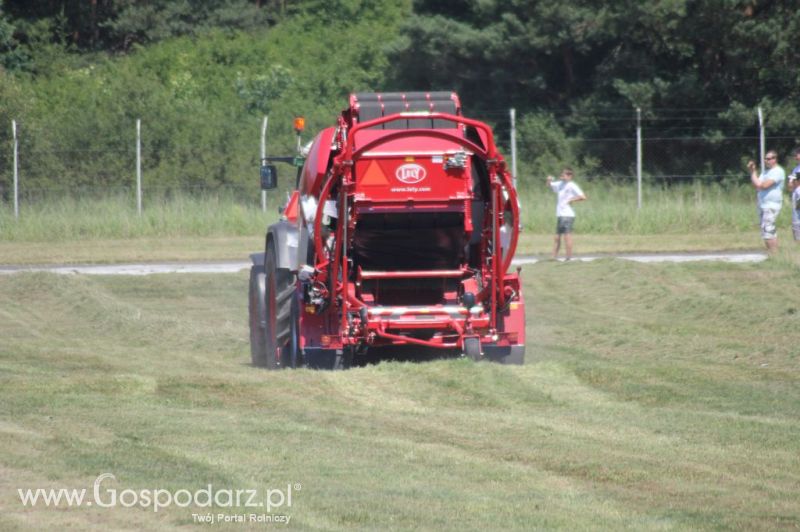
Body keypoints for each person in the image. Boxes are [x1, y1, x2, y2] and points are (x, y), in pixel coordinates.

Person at [747, 150, 785, 253]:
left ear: (774, 159)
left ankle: (773, 252)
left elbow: (764, 185)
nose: (766, 161)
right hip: (763, 204)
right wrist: (753, 172)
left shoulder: (778, 171)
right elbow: (756, 185)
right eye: (765, 158)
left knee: (767, 230)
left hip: (771, 205)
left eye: (768, 159)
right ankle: (774, 253)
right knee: (768, 230)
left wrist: (759, 183)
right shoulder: (765, 172)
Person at [546, 168, 587, 260]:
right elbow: (549, 185)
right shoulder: (560, 184)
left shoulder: (571, 185)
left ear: (569, 176)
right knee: (557, 237)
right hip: (560, 214)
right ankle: (553, 257)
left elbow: (583, 197)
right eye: (562, 174)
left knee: (567, 237)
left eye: (565, 175)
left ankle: (568, 258)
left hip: (568, 215)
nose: (562, 176)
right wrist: (548, 179)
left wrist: (572, 199)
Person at [789, 147, 800, 243]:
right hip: (796, 196)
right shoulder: (796, 169)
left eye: (797, 154)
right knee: (796, 220)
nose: (796, 157)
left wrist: (795, 182)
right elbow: (791, 184)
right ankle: (797, 241)